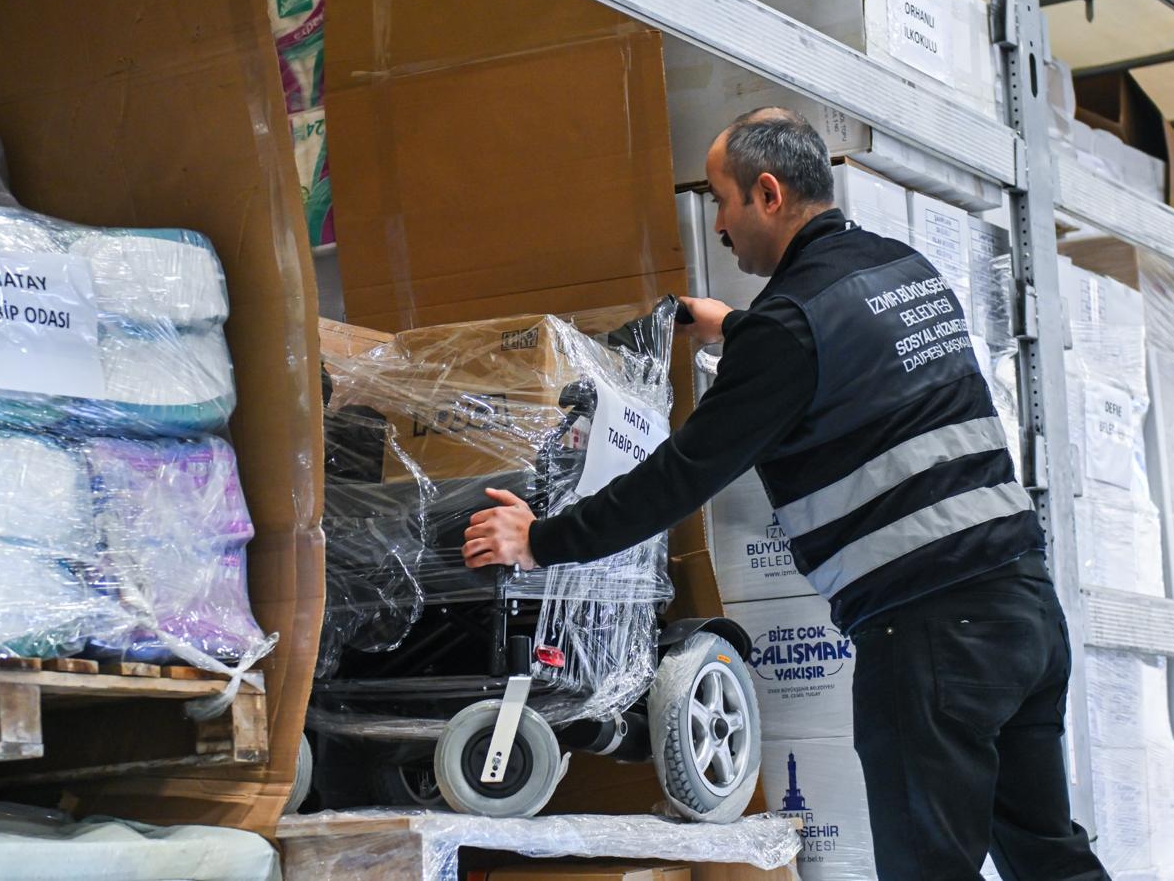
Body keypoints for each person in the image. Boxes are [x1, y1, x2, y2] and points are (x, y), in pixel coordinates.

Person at [462, 107, 1110, 881]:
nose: (718, 224)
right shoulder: (902, 271)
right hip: (1024, 611)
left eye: (721, 199)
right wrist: (742, 330)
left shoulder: (787, 330)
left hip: (932, 634)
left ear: (767, 194)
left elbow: (681, 475)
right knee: (1049, 858)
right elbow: (851, 356)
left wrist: (541, 541)